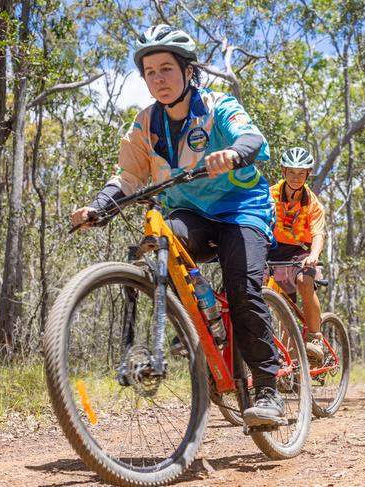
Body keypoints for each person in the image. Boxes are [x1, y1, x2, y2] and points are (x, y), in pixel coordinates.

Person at [71, 25, 285, 428]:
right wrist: (96, 208)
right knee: (154, 248)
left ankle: (268, 388)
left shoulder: (218, 106)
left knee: (242, 288)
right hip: (190, 215)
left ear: (189, 72)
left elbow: (251, 138)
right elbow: (128, 178)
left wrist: (234, 153)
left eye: (167, 68)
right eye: (150, 72)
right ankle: (185, 340)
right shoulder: (144, 124)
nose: (158, 79)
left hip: (242, 210)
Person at [268, 147, 326, 367]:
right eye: (291, 172)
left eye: (301, 173)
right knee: (273, 298)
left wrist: (313, 255)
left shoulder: (313, 203)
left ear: (308, 174)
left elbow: (318, 234)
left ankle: (315, 337)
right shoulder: (270, 194)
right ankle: (284, 358)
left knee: (304, 281)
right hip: (272, 249)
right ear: (283, 171)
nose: (296, 178)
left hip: (300, 251)